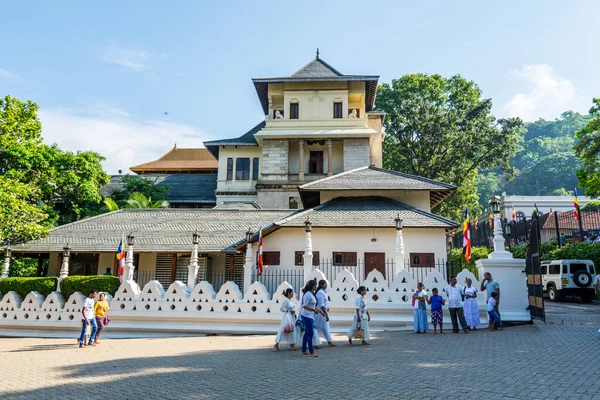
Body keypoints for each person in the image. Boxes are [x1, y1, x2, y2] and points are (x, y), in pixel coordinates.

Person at [299, 280, 322, 357]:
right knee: (310, 333)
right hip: (306, 315)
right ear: (312, 286)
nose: (316, 287)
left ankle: (304, 350)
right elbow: (304, 306)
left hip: (310, 315)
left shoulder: (312, 294)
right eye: (315, 285)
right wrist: (313, 310)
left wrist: (320, 312)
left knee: (307, 333)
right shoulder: (308, 294)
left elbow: (313, 306)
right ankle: (311, 352)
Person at [315, 280, 336, 347]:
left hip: (324, 311)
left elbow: (325, 303)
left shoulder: (324, 292)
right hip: (320, 313)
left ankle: (329, 341)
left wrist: (327, 308)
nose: (326, 285)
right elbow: (321, 305)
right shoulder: (320, 293)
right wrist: (325, 314)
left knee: (325, 327)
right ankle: (315, 342)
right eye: (325, 284)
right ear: (321, 285)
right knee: (317, 327)